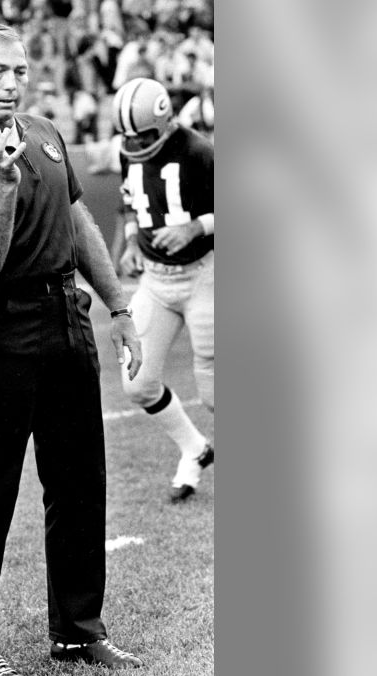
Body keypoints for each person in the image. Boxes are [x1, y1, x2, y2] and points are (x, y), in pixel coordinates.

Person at [0, 22, 146, 676]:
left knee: (80, 482)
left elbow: (79, 224)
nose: (11, 83)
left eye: (18, 71)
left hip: (67, 317)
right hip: (4, 325)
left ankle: (77, 633)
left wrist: (121, 306)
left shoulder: (46, 132)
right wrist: (5, 183)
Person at [109, 77, 215, 504]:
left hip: (204, 274)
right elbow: (132, 203)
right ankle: (195, 448)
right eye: (129, 136)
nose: (136, 144)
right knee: (138, 382)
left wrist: (195, 226)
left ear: (166, 120)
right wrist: (133, 241)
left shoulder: (199, 152)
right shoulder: (128, 150)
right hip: (155, 279)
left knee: (214, 395)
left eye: (144, 134)